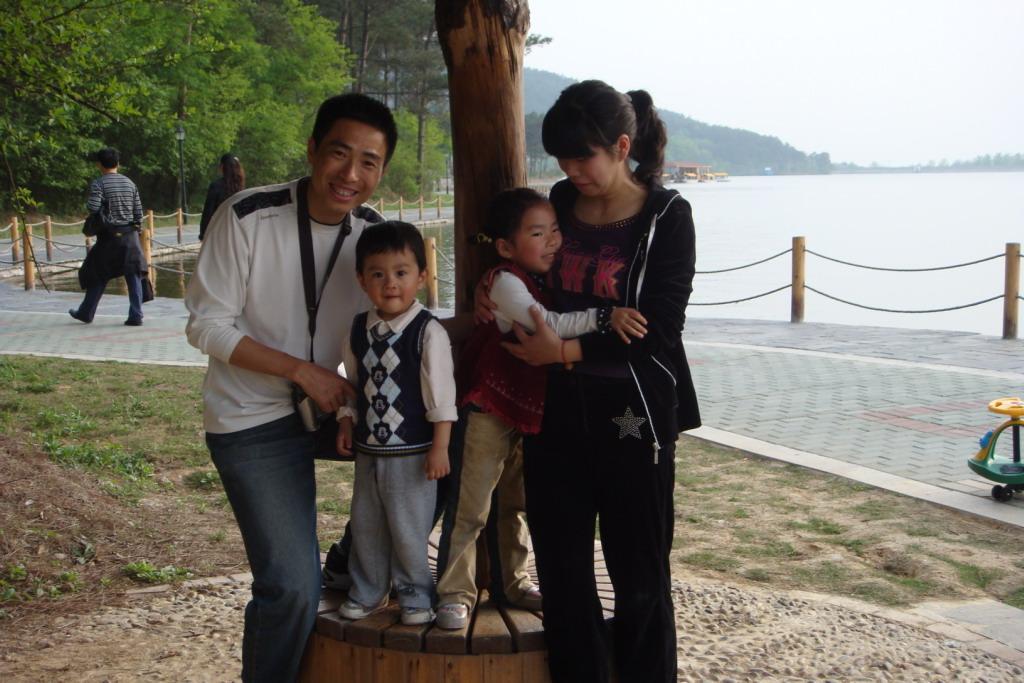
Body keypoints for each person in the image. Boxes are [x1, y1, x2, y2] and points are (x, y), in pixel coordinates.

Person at [489, 80, 701, 683]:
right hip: (555, 412)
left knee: (640, 579)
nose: (570, 171)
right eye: (562, 158)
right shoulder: (559, 200)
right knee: (563, 575)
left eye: (583, 157)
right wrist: (494, 293)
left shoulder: (667, 217)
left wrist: (562, 350)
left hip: (633, 416)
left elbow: (660, 328)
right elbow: (528, 273)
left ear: (622, 147)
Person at [184, 93, 396, 682]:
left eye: (369, 162)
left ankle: (348, 558)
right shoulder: (248, 215)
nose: (350, 174)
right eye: (339, 153)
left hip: (330, 412)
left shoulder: (374, 233)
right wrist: (302, 371)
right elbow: (205, 327)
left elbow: (390, 328)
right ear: (312, 150)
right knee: (290, 589)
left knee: (449, 443)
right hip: (250, 418)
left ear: (382, 171)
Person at [434, 188, 647, 630]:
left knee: (512, 502)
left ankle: (511, 582)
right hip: (489, 405)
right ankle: (454, 593)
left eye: (554, 230)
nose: (552, 241)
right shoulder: (506, 283)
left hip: (525, 409)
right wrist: (605, 318)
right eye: (537, 233)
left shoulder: (544, 278)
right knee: (471, 506)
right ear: (505, 247)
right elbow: (548, 326)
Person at [335, 221, 456, 626]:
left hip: (415, 453)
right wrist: (347, 421)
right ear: (362, 279)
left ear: (421, 276)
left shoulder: (427, 332)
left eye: (401, 272)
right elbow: (353, 384)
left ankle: (415, 594)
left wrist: (440, 446)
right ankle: (369, 590)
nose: (390, 283)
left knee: (408, 527)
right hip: (369, 451)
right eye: (378, 274)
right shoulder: (358, 329)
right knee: (367, 524)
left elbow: (442, 395)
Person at [69, 147, 148, 326]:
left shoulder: (99, 183)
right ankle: (136, 315)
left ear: (99, 164)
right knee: (133, 273)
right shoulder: (130, 183)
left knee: (97, 272)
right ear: (118, 163)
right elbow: (138, 212)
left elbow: (93, 207)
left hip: (109, 236)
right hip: (130, 235)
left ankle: (86, 312)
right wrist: (137, 228)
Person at [198, 153, 246, 240]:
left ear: (222, 167)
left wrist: (203, 234)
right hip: (237, 233)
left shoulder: (216, 186)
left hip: (219, 233)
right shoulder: (241, 188)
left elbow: (208, 213)